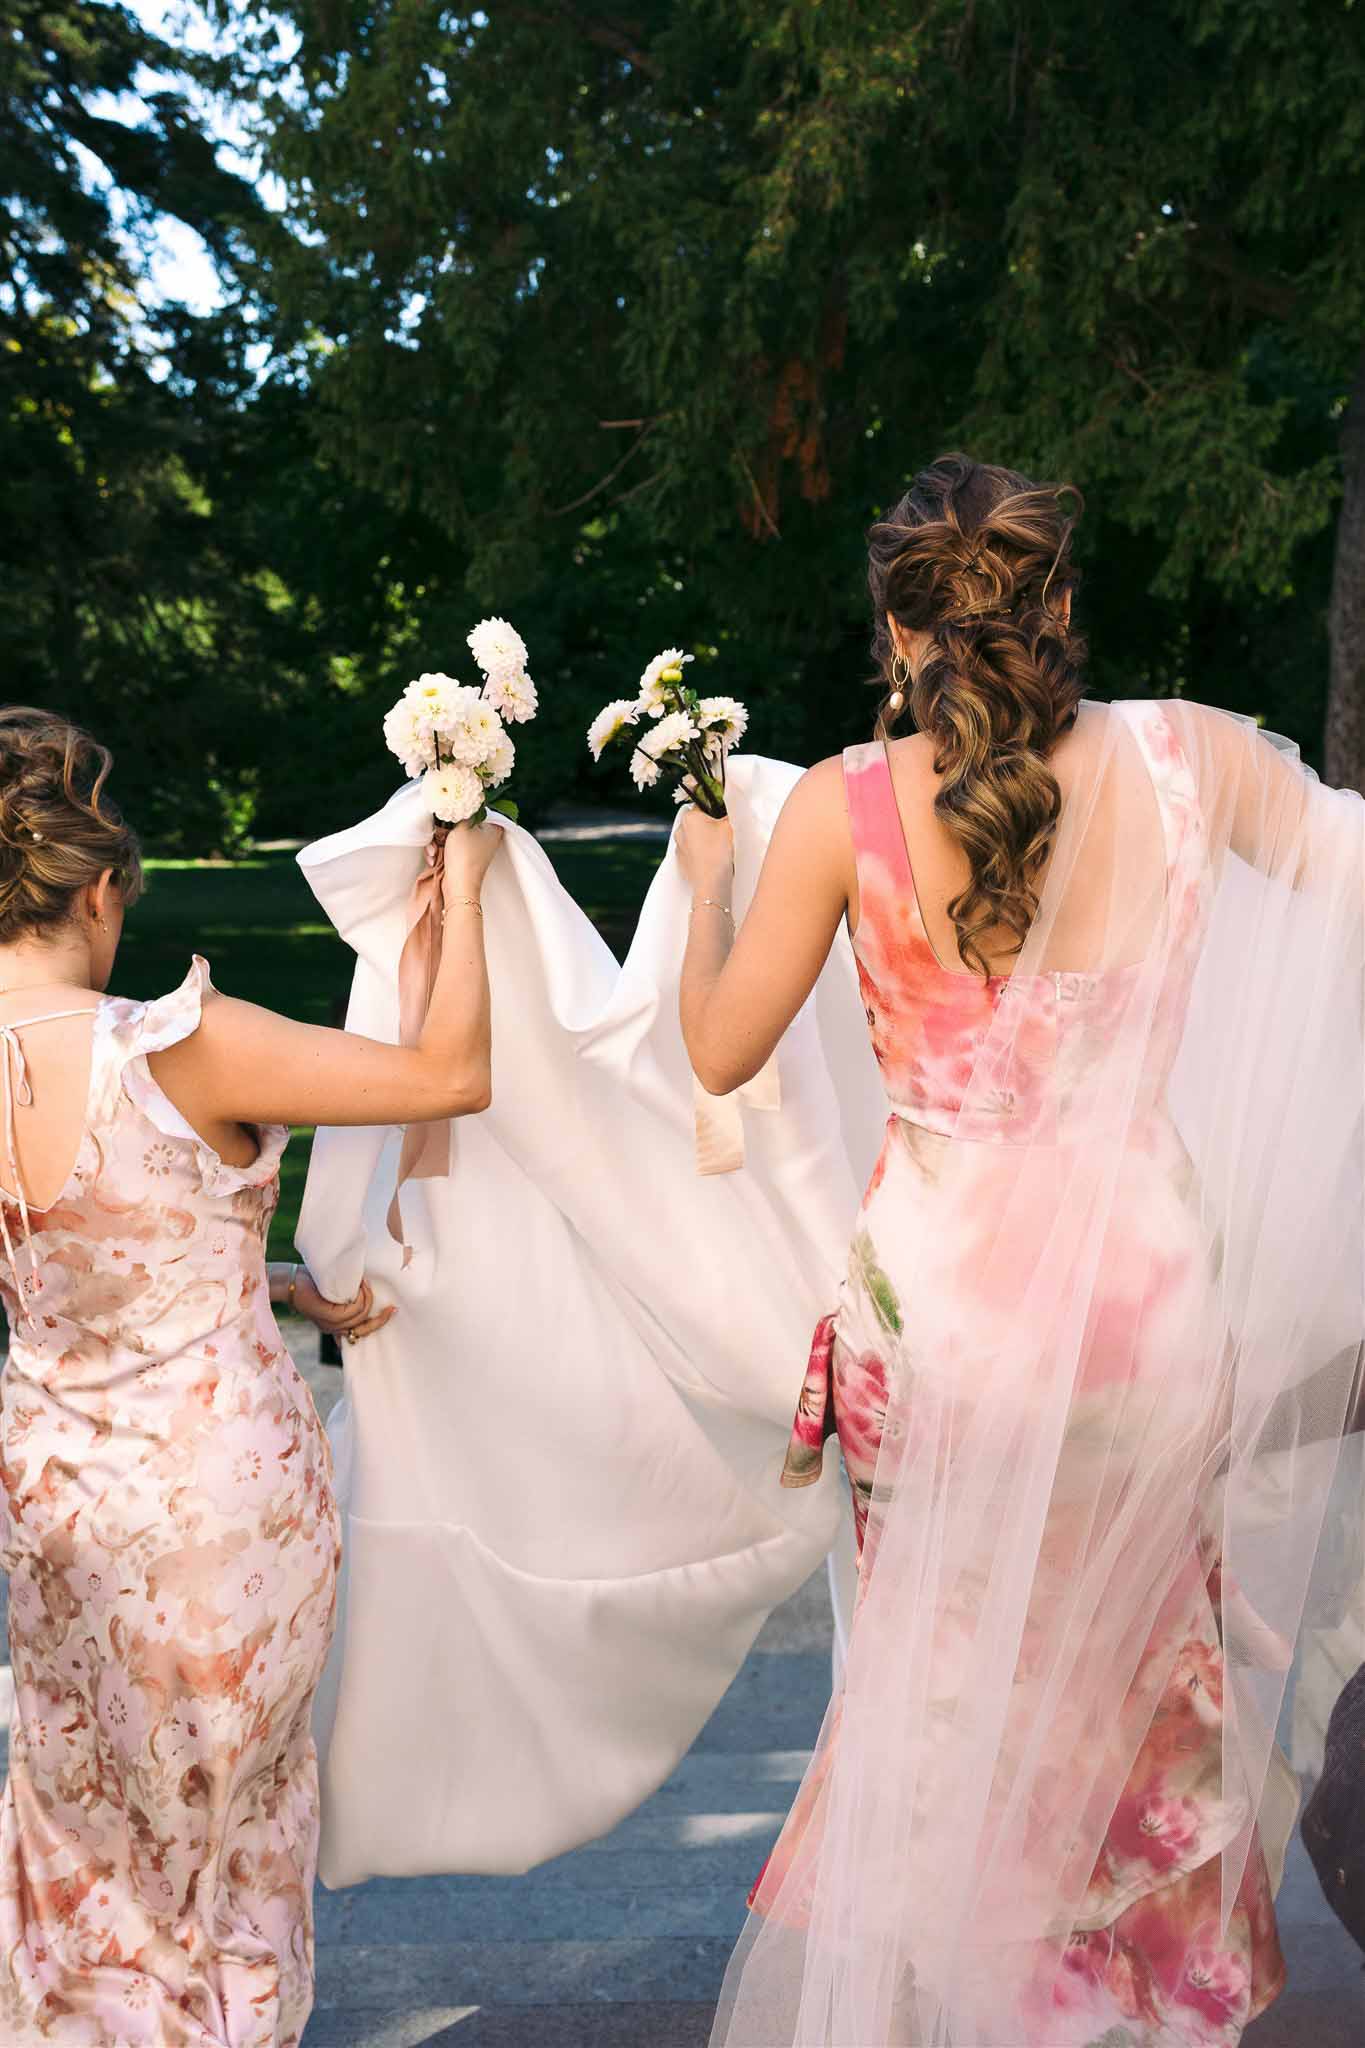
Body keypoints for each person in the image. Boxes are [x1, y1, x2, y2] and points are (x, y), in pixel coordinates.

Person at [678, 454, 1365, 2046]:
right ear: (1061, 602)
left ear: (890, 624)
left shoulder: (841, 807)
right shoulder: (1197, 762)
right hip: (1145, 1312)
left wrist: (708, 891)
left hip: (944, 1325)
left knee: (945, 1690)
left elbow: (718, 1053)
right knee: (1142, 1684)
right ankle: (1128, 2009)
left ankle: (973, 2000)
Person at [0, 705, 500, 2046]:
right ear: (101, 891)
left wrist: (265, 1282)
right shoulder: (179, 1042)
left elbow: (70, 1258)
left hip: (51, 1508)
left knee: (80, 1828)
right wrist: (473, 907)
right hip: (219, 1516)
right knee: (233, 1838)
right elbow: (450, 1074)